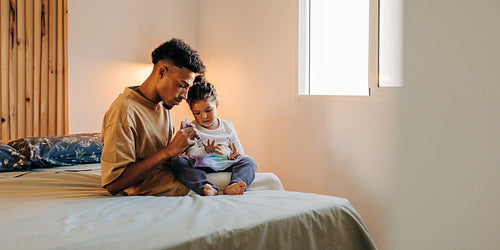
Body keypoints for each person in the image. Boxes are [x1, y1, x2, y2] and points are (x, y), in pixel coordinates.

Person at [100, 38, 205, 196]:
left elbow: (163, 160)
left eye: (188, 88)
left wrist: (182, 148)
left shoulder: (162, 106)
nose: (185, 96)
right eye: (182, 85)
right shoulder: (124, 110)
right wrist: (169, 151)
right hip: (174, 190)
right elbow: (114, 184)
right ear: (162, 72)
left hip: (182, 182)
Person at [171, 79, 257, 196]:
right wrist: (206, 151)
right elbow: (192, 154)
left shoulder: (227, 126)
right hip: (203, 164)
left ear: (216, 104)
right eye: (197, 113)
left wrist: (235, 154)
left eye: (208, 110)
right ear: (191, 111)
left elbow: (239, 150)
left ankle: (234, 185)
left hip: (225, 163)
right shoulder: (192, 128)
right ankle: (206, 188)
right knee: (179, 162)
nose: (204, 116)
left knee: (248, 161)